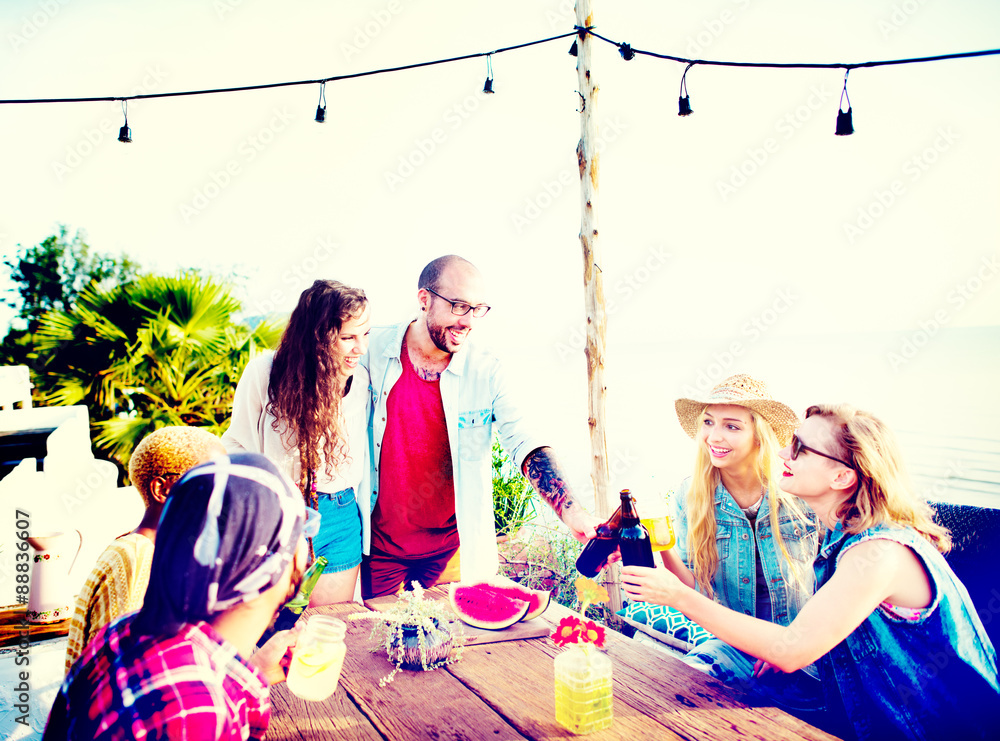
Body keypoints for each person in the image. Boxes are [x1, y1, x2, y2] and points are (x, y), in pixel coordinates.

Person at [623, 404, 1000, 740]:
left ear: (841, 478)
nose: (783, 452)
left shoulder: (878, 552)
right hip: (857, 706)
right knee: (668, 692)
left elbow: (794, 651)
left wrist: (675, 595)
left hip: (928, 727)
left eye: (800, 448)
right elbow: (814, 632)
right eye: (791, 441)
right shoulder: (847, 536)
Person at [361, 254, 600, 598]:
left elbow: (524, 440)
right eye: (458, 306)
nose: (468, 321)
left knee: (456, 647)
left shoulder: (486, 369)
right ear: (424, 300)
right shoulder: (371, 349)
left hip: (453, 554)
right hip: (379, 550)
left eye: (478, 309)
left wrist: (572, 512)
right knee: (377, 645)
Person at [44, 453, 317, 741]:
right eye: (302, 531)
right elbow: (192, 713)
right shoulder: (199, 714)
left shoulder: (122, 630)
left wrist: (256, 670)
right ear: (265, 570)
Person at [660, 375, 820, 704]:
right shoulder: (692, 495)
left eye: (732, 426)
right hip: (735, 645)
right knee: (674, 696)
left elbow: (836, 584)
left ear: (759, 436)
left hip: (811, 650)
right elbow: (697, 592)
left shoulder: (801, 492)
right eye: (708, 422)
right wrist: (660, 547)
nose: (714, 437)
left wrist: (790, 646)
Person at [223, 279, 371, 604]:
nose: (360, 348)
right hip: (276, 514)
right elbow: (237, 446)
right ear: (317, 335)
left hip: (339, 512)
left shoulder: (360, 379)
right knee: (274, 628)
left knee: (327, 624)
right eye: (348, 337)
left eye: (365, 335)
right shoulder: (265, 371)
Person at [64, 425, 225, 674]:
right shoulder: (137, 557)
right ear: (163, 490)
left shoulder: (156, 552)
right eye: (213, 480)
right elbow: (120, 672)